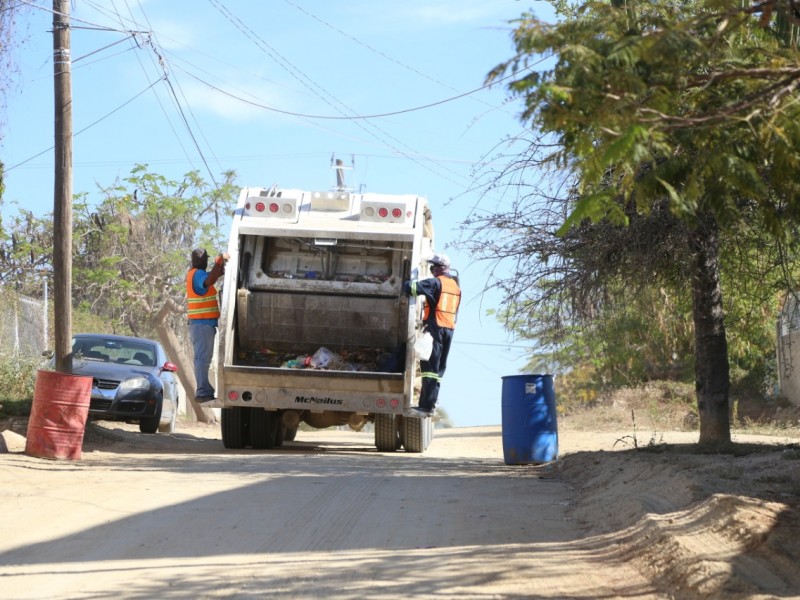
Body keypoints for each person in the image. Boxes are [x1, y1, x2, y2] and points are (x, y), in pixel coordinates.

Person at [403, 253, 461, 417]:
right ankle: (431, 403)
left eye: (433, 267)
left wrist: (405, 280)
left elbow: (411, 288)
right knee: (439, 369)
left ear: (440, 268)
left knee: (429, 368)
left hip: (436, 328)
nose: (431, 270)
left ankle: (425, 407)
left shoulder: (435, 283)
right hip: (449, 329)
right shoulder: (455, 287)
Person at [187, 248, 228, 402]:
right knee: (203, 359)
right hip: (201, 324)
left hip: (202, 324)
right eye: (206, 260)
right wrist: (218, 261)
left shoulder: (196, 274)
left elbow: (212, 278)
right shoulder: (198, 274)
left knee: (203, 358)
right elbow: (210, 280)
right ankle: (203, 391)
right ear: (203, 261)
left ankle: (205, 390)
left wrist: (220, 270)